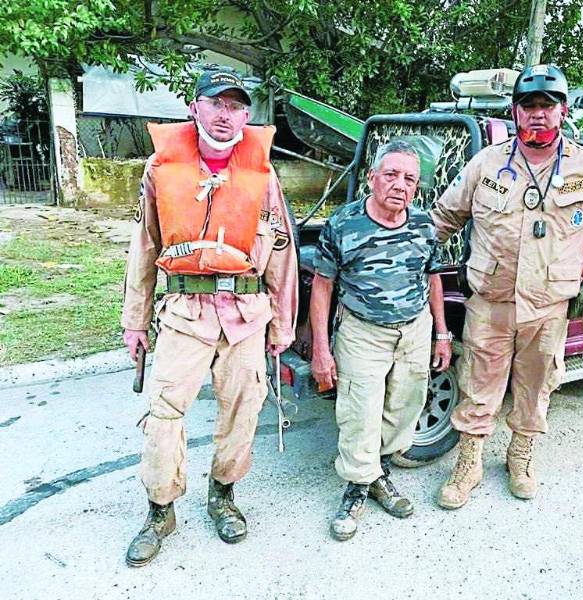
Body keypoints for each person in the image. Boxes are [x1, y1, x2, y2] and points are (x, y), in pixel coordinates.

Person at [121, 67, 298, 566]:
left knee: (243, 409)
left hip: (246, 314)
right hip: (184, 312)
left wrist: (282, 324)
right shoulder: (161, 168)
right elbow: (144, 247)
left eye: (236, 105)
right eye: (216, 102)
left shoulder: (263, 174)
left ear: (246, 116)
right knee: (164, 412)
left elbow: (281, 252)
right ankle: (160, 510)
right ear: (194, 107)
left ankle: (223, 495)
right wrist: (135, 321)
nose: (225, 114)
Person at [430, 64, 583, 509]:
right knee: (478, 383)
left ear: (563, 111)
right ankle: (469, 463)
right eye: (529, 105)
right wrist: (400, 254)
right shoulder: (487, 163)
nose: (538, 113)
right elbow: (444, 218)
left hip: (548, 306)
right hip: (491, 301)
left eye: (547, 105)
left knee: (537, 385)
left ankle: (520, 457)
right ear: (515, 111)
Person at [310, 140, 452, 541]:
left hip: (414, 329)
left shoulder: (423, 225)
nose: (400, 185)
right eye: (391, 174)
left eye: (410, 179)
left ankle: (378, 474)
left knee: (404, 406)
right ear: (372, 178)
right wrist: (321, 348)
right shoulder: (344, 224)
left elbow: (433, 277)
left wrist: (442, 333)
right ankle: (357, 488)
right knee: (360, 413)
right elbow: (322, 286)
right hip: (362, 332)